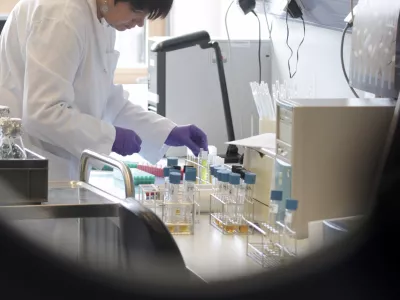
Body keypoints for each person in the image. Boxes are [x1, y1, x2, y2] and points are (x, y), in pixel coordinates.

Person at [0, 0, 208, 181]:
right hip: (29, 161)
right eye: (137, 11)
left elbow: (106, 100)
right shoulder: (61, 15)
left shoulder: (102, 18)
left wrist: (165, 131)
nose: (140, 23)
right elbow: (41, 114)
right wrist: (110, 137)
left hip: (58, 165)